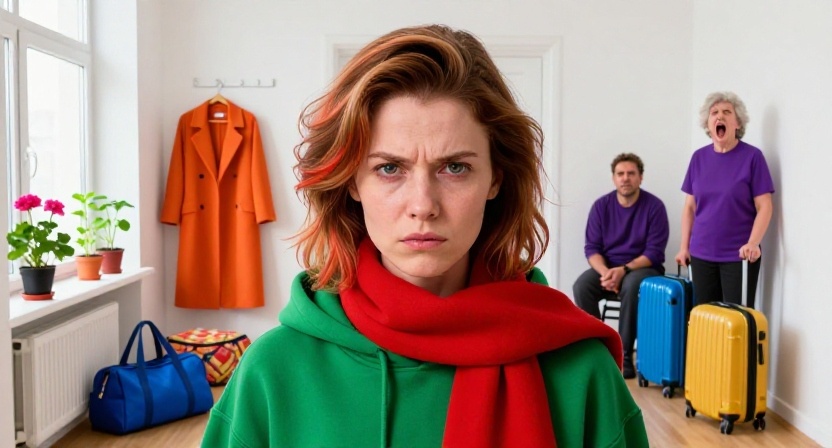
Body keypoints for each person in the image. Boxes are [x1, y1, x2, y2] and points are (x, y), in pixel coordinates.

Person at [202, 25, 648, 447]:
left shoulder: (581, 373)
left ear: (496, 178)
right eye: (389, 168)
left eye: (455, 167)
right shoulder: (273, 371)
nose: (423, 204)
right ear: (352, 181)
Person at [573, 153, 670, 380]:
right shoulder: (601, 206)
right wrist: (606, 273)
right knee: (581, 286)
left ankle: (624, 355)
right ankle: (598, 350)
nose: (625, 178)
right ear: (614, 178)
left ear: (640, 177)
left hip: (643, 269)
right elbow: (591, 248)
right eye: (620, 174)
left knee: (632, 285)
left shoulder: (654, 207)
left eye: (631, 173)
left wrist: (623, 271)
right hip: (608, 268)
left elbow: (654, 252)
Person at [675, 92, 774, 308]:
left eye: (727, 112)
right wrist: (684, 247)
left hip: (738, 256)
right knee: (706, 318)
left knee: (736, 317)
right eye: (714, 113)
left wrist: (753, 243)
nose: (720, 116)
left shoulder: (752, 157)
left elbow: (765, 205)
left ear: (737, 123)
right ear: (708, 124)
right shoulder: (698, 158)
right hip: (701, 253)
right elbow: (690, 207)